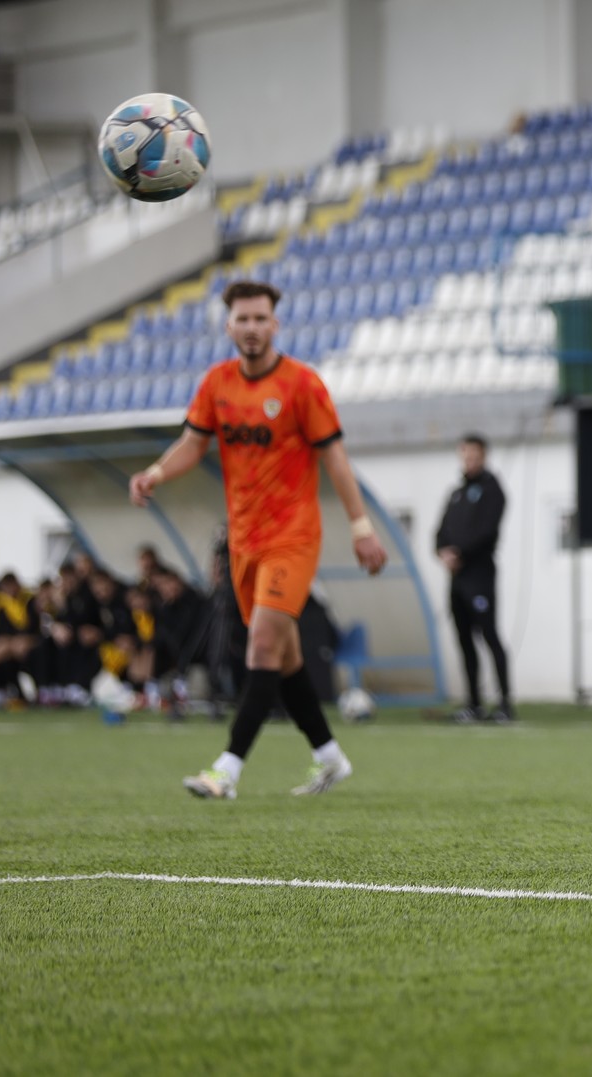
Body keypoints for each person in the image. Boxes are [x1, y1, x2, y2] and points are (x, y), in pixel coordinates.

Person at [130, 279, 388, 799]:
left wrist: (362, 526)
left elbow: (335, 458)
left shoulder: (302, 384)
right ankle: (331, 758)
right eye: (242, 319)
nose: (251, 328)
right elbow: (192, 443)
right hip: (243, 542)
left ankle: (226, 770)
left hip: (292, 537)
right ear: (228, 326)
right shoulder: (217, 384)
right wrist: (156, 473)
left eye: (260, 319)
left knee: (263, 643)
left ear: (276, 324)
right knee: (285, 659)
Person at [436, 433, 512, 723]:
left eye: (474, 455)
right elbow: (440, 532)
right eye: (465, 455)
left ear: (483, 456)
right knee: (464, 640)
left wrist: (460, 553)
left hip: (479, 576)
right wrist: (443, 552)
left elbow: (487, 532)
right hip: (457, 579)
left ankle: (505, 703)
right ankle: (473, 704)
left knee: (489, 636)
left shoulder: (492, 490)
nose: (469, 460)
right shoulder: (456, 493)